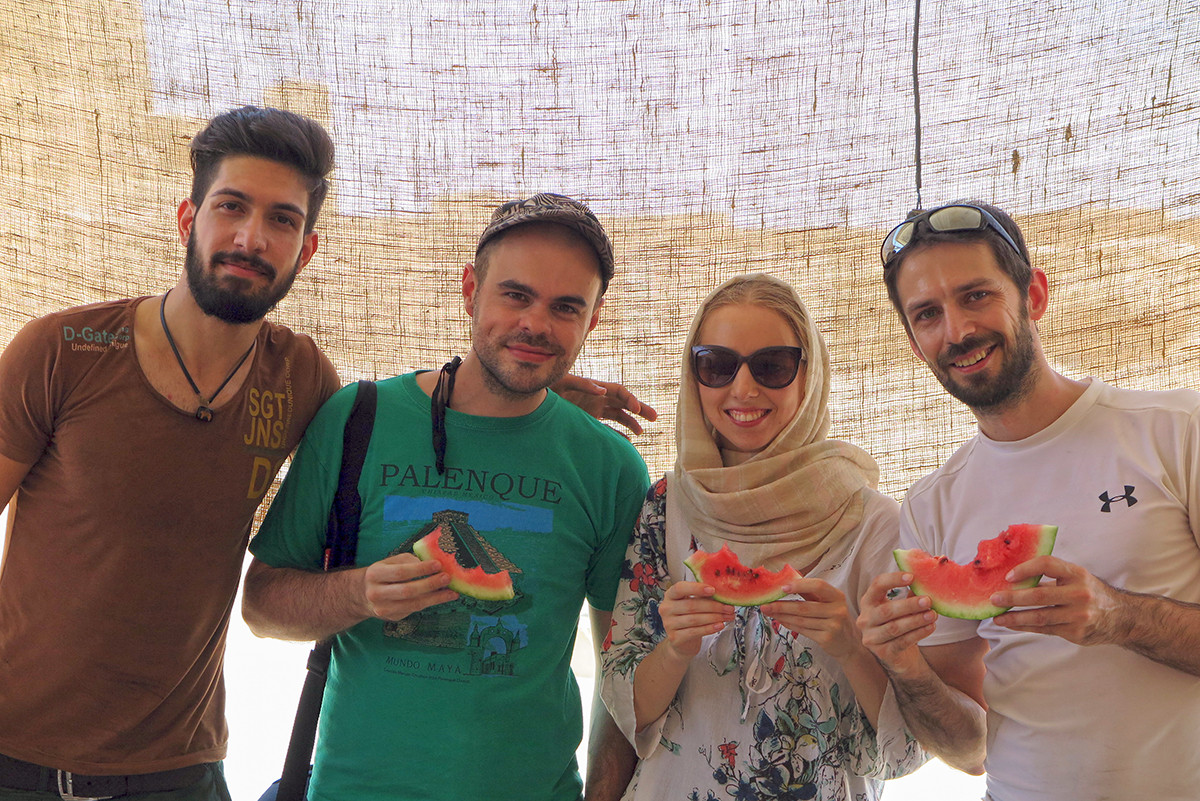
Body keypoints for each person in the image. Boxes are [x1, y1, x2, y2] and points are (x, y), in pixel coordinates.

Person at [241, 193, 652, 801]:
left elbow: (621, 669)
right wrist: (358, 592)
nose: (535, 324)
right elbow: (261, 606)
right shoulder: (358, 419)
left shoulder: (611, 467)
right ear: (470, 290)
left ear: (593, 321)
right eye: (516, 295)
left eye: (565, 307)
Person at [0, 106, 341, 801]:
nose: (251, 237)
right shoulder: (62, 349)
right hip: (16, 759)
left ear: (305, 249)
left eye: (282, 219)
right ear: (189, 218)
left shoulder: (303, 377)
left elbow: (402, 421)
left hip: (180, 772)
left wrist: (517, 384)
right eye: (232, 207)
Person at [857, 203, 1200, 801]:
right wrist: (906, 667)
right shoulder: (932, 505)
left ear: (1033, 295)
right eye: (927, 314)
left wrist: (1121, 617)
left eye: (975, 296)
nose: (957, 331)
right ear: (915, 342)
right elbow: (969, 751)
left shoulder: (1176, 432)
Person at [598, 274, 926, 801]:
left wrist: (849, 648)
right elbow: (626, 708)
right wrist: (675, 648)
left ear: (808, 375)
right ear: (694, 376)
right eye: (716, 365)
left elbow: (906, 750)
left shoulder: (873, 525)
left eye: (772, 365)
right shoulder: (665, 507)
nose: (743, 389)